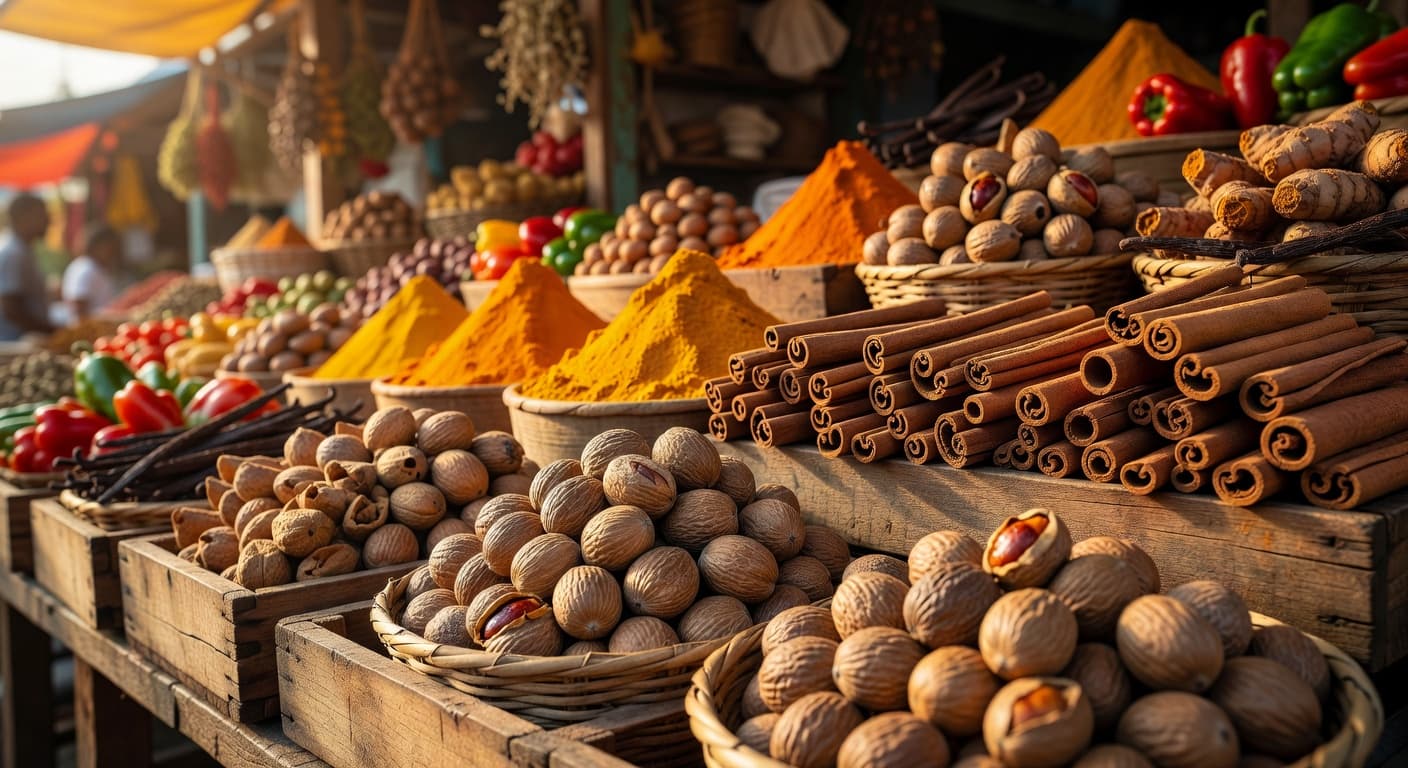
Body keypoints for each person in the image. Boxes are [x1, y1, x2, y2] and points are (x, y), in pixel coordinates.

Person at [0, 194, 55, 340]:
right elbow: (11, 309)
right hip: (16, 344)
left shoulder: (23, 250)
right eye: (42, 215)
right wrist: (51, 330)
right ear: (24, 217)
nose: (48, 221)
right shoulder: (13, 253)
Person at [63, 225, 120, 322]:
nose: (113, 253)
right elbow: (79, 307)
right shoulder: (85, 269)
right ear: (97, 246)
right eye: (110, 248)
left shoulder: (96, 268)